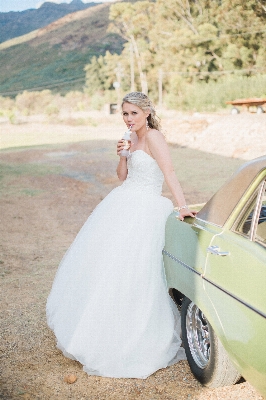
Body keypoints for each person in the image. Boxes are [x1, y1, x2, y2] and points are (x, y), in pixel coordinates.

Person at [46, 92, 197, 379]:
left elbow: (170, 172)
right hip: (122, 202)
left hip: (146, 208)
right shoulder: (129, 138)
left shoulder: (154, 138)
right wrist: (123, 155)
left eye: (133, 114)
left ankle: (134, 332)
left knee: (137, 269)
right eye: (125, 114)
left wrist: (182, 206)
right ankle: (99, 326)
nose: (129, 119)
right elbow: (122, 177)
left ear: (147, 112)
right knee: (108, 266)